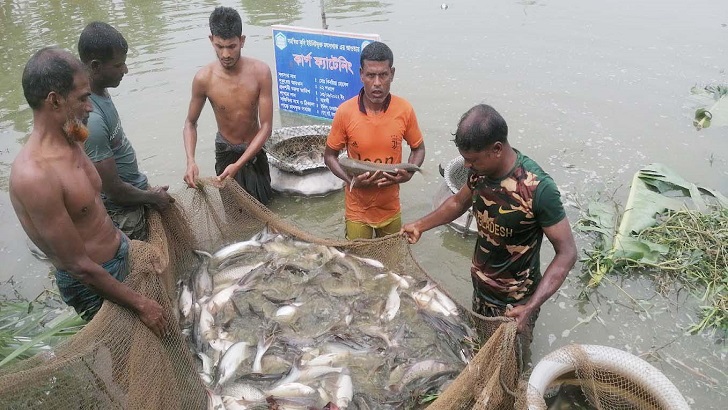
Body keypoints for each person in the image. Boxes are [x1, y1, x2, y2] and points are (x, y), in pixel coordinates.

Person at [9, 47, 167, 337]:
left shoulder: (74, 134)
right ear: (54, 101)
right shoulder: (34, 176)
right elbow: (77, 266)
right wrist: (141, 304)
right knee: (127, 353)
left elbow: (97, 200)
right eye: (82, 98)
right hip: (94, 283)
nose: (91, 107)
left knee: (159, 335)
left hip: (120, 249)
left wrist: (127, 243)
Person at [401, 104, 576, 364]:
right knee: (483, 352)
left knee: (512, 364)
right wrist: (420, 225)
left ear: (496, 148)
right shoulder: (478, 173)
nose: (468, 166)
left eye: (473, 160)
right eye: (466, 159)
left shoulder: (538, 189)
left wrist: (530, 307)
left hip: (515, 302)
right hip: (481, 290)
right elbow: (457, 203)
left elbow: (567, 254)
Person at [78, 22, 174, 241]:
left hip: (134, 197)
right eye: (119, 65)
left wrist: (146, 192)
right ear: (95, 66)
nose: (126, 70)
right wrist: (152, 197)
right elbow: (113, 190)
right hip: (122, 214)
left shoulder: (100, 91)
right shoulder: (91, 119)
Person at [324, 41, 426, 240]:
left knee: (391, 263)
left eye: (383, 75)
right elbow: (329, 156)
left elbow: (418, 148)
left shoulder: (404, 109)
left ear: (392, 74)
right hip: (357, 210)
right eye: (371, 75)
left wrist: (409, 173)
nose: (377, 83)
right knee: (358, 263)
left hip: (390, 208)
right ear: (361, 74)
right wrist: (351, 180)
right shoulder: (345, 112)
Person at [183, 6, 274, 205]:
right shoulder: (203, 79)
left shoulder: (261, 72)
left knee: (265, 207)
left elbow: (266, 126)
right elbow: (190, 123)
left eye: (231, 46)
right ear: (211, 40)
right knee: (234, 212)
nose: (225, 54)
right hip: (226, 151)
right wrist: (191, 161)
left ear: (242, 41)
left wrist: (239, 164)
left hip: (254, 149)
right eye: (219, 46)